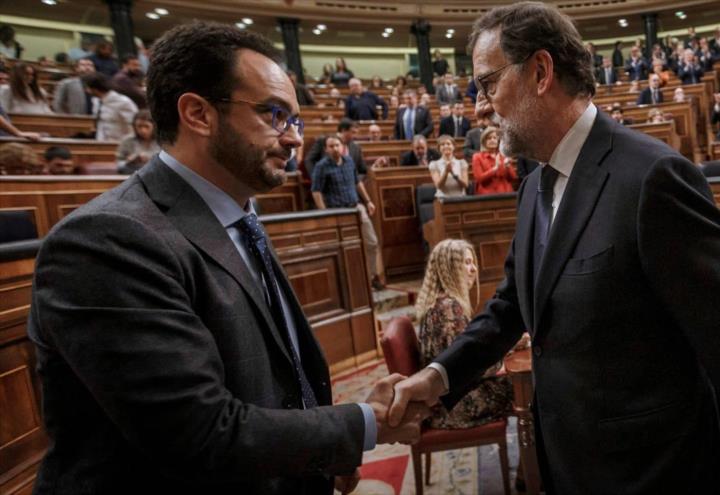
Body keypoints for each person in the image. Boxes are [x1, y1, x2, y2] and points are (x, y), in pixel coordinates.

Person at [386, 3, 720, 494]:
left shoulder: (653, 179)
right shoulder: (531, 188)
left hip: (655, 472)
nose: (478, 106)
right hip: (568, 464)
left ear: (541, 72)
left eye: (486, 84)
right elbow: (512, 306)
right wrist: (437, 377)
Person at [27, 21, 426, 494]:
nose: (295, 139)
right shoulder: (107, 240)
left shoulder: (238, 215)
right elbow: (197, 432)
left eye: (295, 121)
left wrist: (322, 454)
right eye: (275, 115)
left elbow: (270, 373)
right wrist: (359, 425)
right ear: (198, 113)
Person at [416, 239, 513, 430]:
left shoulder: (441, 304)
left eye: (473, 262)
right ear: (449, 269)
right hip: (453, 406)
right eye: (466, 263)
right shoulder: (448, 309)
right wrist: (505, 349)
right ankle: (533, 457)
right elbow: (467, 367)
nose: (474, 269)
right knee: (525, 388)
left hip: (447, 399)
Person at [311, 135, 385, 290]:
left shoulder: (349, 161)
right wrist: (323, 213)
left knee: (372, 242)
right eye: (331, 146)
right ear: (326, 149)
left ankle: (371, 276)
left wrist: (368, 201)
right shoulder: (321, 166)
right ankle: (349, 283)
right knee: (345, 248)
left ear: (342, 146)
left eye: (337, 145)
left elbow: (357, 182)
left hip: (356, 207)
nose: (335, 148)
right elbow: (316, 191)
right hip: (337, 211)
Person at [83, 72, 138, 141]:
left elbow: (133, 126)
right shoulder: (96, 101)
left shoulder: (123, 102)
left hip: (118, 143)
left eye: (88, 87)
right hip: (100, 142)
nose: (86, 90)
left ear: (95, 89)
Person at [471, 126, 517, 194]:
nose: (492, 140)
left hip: (506, 193)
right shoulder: (477, 157)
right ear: (484, 141)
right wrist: (495, 168)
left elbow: (513, 177)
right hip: (487, 195)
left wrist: (507, 167)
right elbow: (479, 179)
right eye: (489, 138)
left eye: (495, 138)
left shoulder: (503, 156)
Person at [116, 109, 160, 174]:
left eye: (146, 126)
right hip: (132, 175)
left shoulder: (163, 141)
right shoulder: (127, 141)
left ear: (154, 126)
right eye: (139, 126)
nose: (143, 130)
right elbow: (119, 165)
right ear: (134, 126)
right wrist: (129, 161)